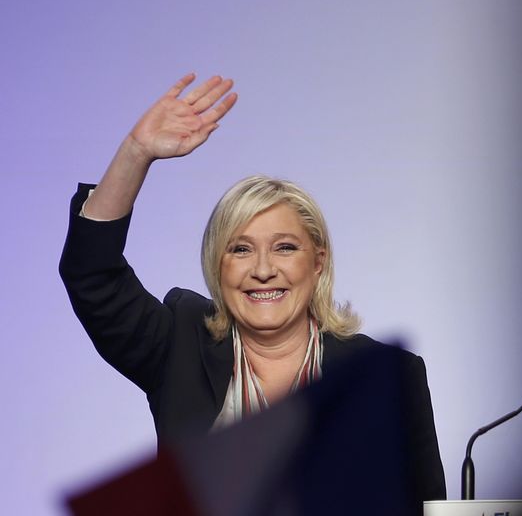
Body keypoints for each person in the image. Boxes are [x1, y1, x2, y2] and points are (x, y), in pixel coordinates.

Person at [58, 73, 446, 503]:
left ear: (317, 263)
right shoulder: (177, 344)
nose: (263, 270)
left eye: (284, 247)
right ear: (216, 265)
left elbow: (424, 507)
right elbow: (92, 273)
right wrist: (136, 153)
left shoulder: (388, 378)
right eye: (240, 249)